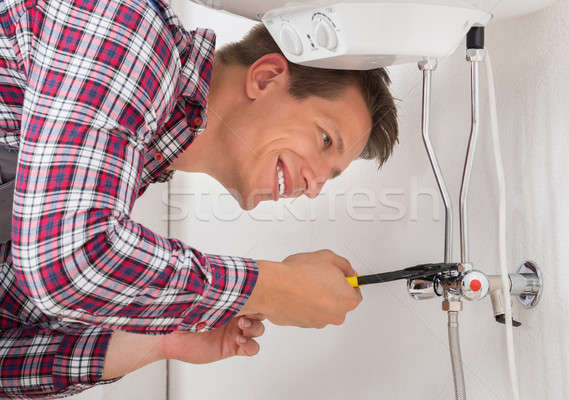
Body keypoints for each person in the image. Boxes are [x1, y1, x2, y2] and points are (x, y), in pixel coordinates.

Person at [0, 0, 398, 397]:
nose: (314, 186)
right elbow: (65, 263)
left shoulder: (125, 168)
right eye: (325, 139)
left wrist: (158, 341)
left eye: (330, 176)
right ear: (265, 78)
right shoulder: (125, 24)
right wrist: (272, 286)